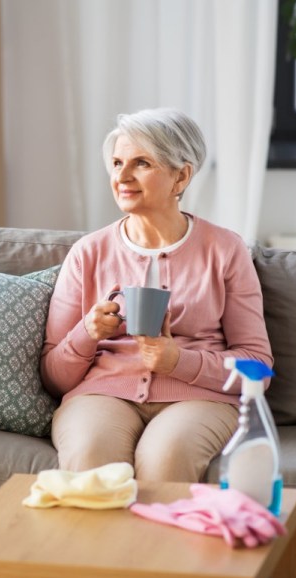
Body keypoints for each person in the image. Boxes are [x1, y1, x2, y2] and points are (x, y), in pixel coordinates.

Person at [40, 107, 273, 482]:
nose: (122, 176)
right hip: (102, 395)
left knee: (166, 460)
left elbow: (257, 371)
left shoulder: (225, 249)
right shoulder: (88, 252)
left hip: (199, 398)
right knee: (92, 461)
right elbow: (54, 378)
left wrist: (177, 361)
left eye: (142, 163)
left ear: (181, 175)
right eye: (117, 163)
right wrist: (88, 332)